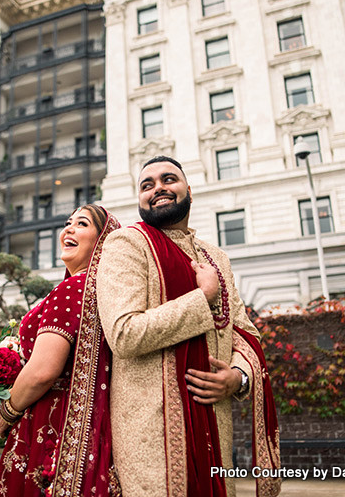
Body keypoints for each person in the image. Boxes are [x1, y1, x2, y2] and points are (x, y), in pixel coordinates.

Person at [97, 156, 280, 497]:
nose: (159, 189)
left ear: (188, 191)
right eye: (147, 185)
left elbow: (244, 333)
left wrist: (237, 378)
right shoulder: (126, 244)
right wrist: (203, 296)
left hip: (213, 429)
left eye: (169, 179)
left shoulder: (216, 258)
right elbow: (124, 333)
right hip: (153, 441)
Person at [0, 204, 121, 497]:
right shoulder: (103, 291)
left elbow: (42, 371)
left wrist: (6, 410)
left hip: (49, 428)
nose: (68, 229)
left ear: (102, 241)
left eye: (82, 224)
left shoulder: (71, 290)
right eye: (67, 222)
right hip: (93, 429)